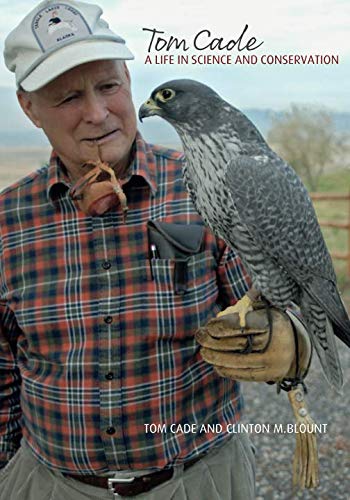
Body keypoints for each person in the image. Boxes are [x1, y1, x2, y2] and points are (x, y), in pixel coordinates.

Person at [0, 1, 311, 499]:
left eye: (108, 86)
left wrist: (291, 344)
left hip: (198, 479)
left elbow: (275, 308)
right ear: (28, 108)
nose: (97, 114)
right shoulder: (6, 221)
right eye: (67, 98)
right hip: (51, 485)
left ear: (128, 78)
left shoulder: (208, 186)